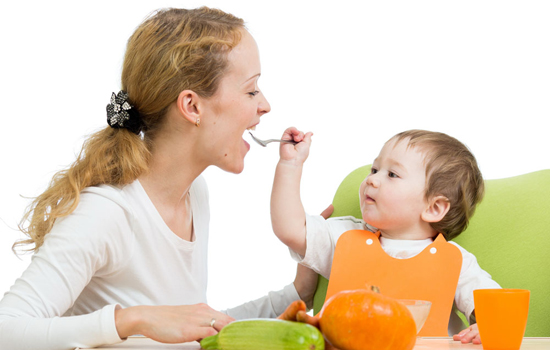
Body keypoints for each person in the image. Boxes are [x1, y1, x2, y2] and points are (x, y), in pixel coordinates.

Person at [0, 7, 321, 350]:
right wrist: (133, 319)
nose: (265, 105)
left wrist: (297, 293)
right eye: (251, 90)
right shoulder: (108, 214)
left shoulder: (194, 193)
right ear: (192, 107)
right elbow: (7, 330)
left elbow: (191, 332)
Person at [270, 128, 502, 344]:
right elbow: (291, 229)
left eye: (392, 174)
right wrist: (290, 166)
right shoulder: (343, 237)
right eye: (374, 170)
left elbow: (498, 309)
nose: (371, 179)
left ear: (434, 208)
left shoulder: (456, 261)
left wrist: (489, 326)